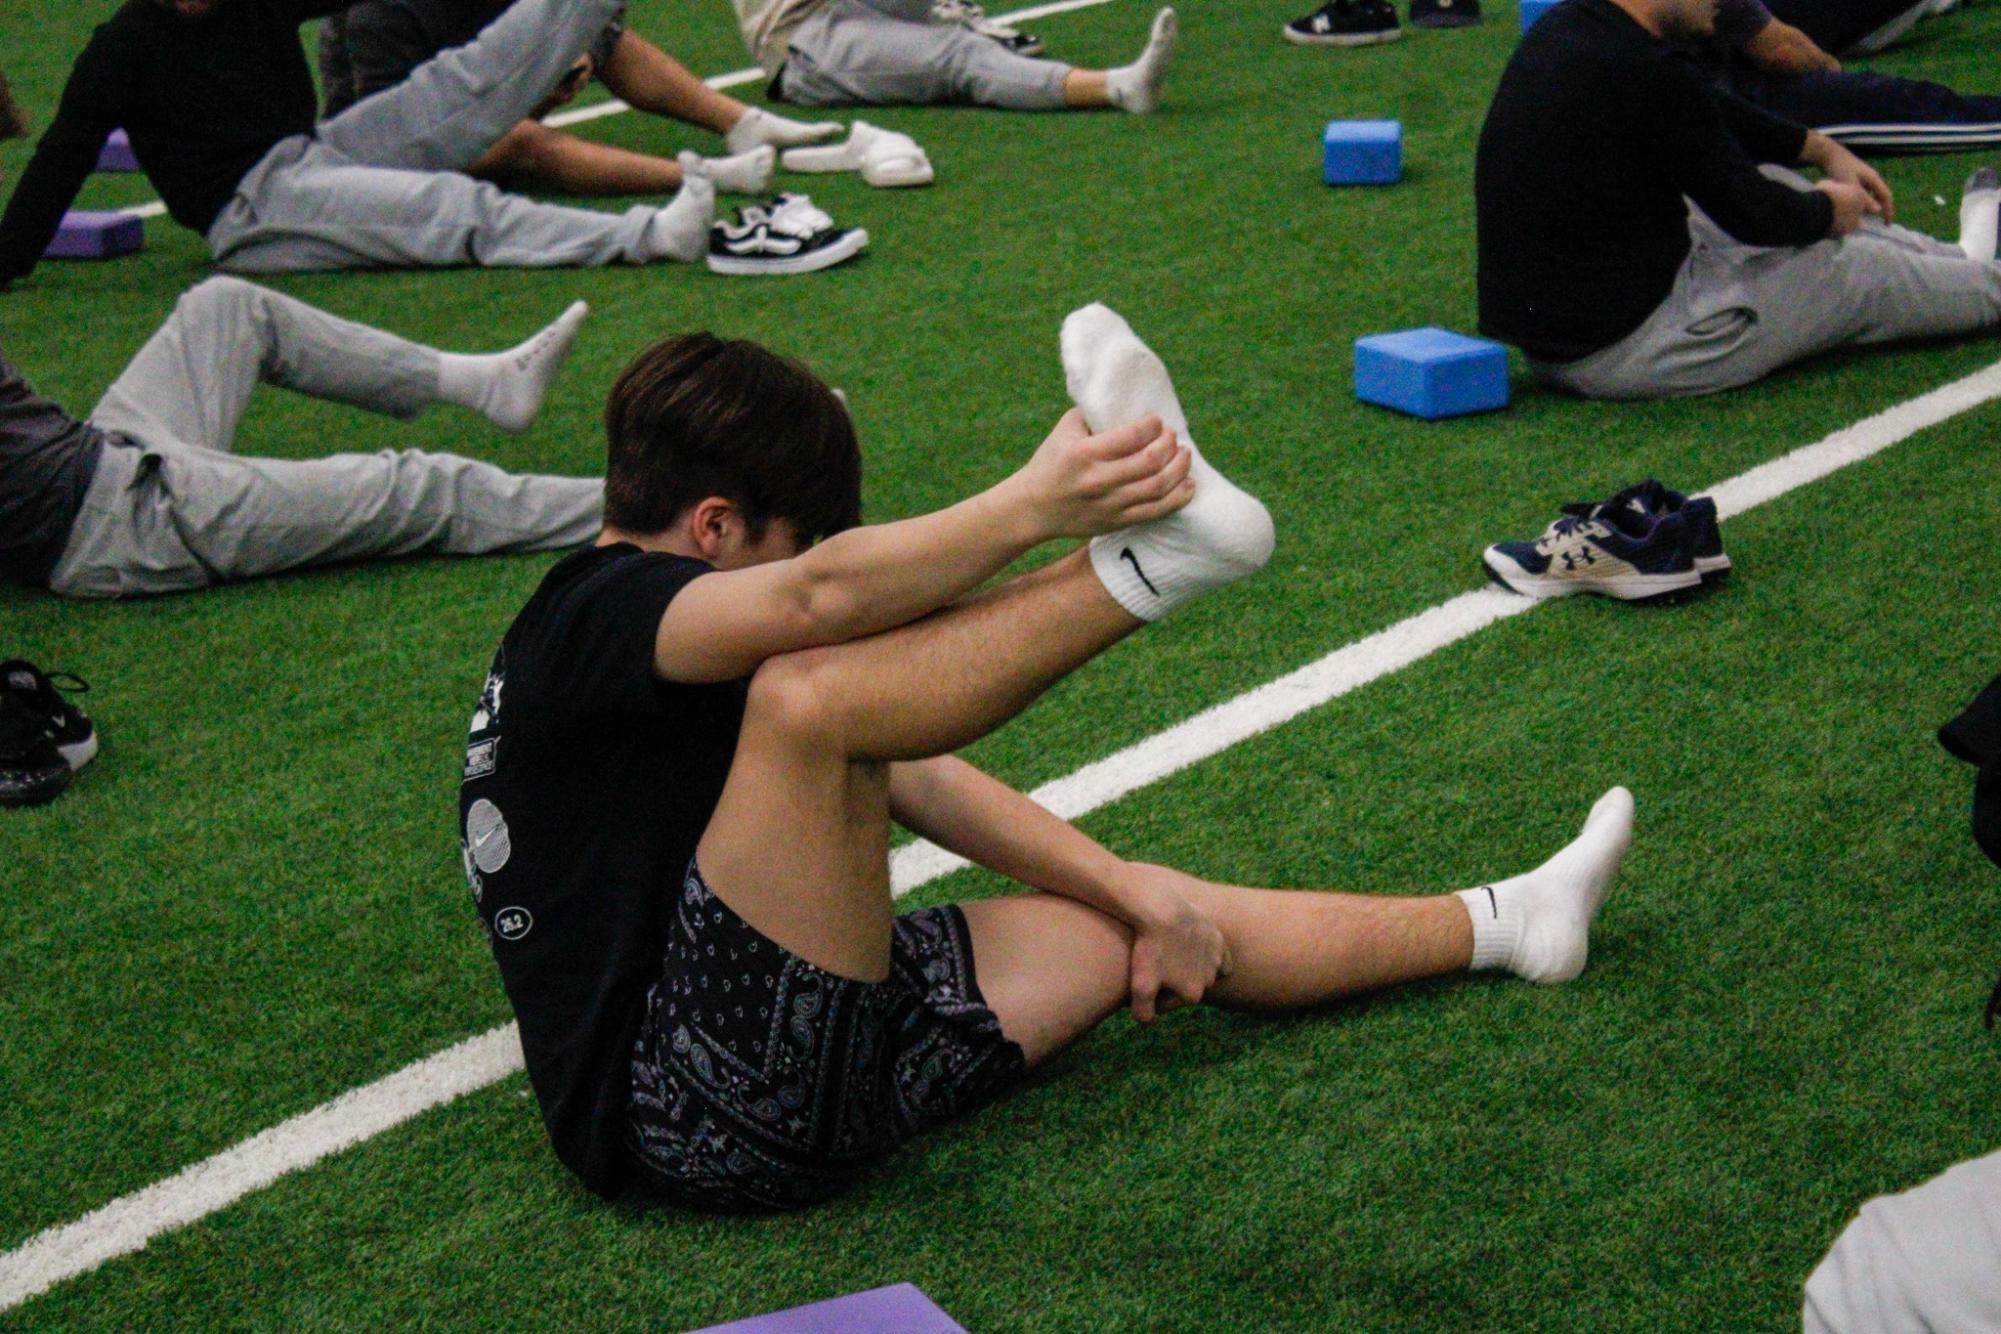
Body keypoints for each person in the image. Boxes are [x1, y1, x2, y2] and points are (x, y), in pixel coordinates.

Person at [459, 301, 1637, 1209]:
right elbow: (821, 604)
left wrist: (1126, 885)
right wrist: (1040, 503)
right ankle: (1152, 564)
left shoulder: (655, 654)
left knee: (1136, 925)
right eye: (783, 542)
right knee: (807, 693)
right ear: (712, 526)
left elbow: (913, 770)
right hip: (681, 1116)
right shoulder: (594, 610)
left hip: (782, 1029)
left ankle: (1508, 920)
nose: (795, 567)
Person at [1475, 0, 2001, 399]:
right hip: (1627, 347)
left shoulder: (1574, 29)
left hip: (1573, 330)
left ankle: (1966, 264)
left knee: (1782, 182)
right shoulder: (1642, 69)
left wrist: (1816, 147)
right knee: (1846, 270)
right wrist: (1828, 212)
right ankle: (1986, 282)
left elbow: (1703, 112)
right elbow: (1758, 216)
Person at [0, 0, 718, 289]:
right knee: (447, 205)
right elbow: (59, 160)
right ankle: (650, 236)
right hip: (251, 210)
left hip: (317, 152)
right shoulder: (120, 50)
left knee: (462, 82)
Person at [2, 275, 603, 598]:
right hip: (115, 524)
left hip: (104, 453)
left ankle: (486, 383)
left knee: (228, 306)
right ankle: (659, 507)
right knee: (426, 487)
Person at [319, 0, 846, 198]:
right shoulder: (378, 13)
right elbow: (390, 132)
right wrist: (515, 105)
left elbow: (580, 16)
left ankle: (743, 123)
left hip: (473, 102)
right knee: (528, 141)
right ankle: (696, 176)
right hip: (384, 159)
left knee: (613, 45)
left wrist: (584, 55)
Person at [731, 0, 1180, 114]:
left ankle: (942, 19)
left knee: (954, 47)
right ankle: (1119, 88)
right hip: (802, 43)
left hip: (849, 8)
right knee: (960, 57)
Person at [1701, 0, 2001, 155]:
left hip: (1727, 46)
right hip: (1718, 93)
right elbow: (1777, 52)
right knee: (1880, 100)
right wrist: (1830, 71)